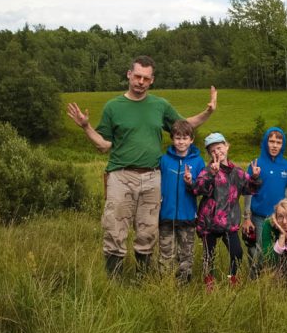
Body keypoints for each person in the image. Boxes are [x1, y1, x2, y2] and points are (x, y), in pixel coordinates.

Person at [66, 56, 217, 279]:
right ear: (129, 75)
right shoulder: (113, 107)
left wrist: (208, 112)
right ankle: (113, 282)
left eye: (146, 78)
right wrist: (86, 127)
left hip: (153, 177)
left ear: (152, 80)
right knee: (115, 230)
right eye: (137, 76)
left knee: (147, 233)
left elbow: (183, 127)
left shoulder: (160, 105)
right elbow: (103, 146)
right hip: (120, 175)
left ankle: (142, 280)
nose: (140, 82)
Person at [192, 132, 261, 290]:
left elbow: (249, 189)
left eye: (219, 147)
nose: (217, 152)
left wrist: (255, 177)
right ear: (209, 154)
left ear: (227, 146)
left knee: (237, 253)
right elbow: (198, 189)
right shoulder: (207, 170)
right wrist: (212, 173)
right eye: (213, 150)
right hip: (209, 223)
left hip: (229, 223)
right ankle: (209, 284)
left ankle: (232, 280)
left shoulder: (237, 172)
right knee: (209, 256)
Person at [158, 120, 206, 283]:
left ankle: (183, 283)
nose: (181, 141)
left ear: (191, 140)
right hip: (166, 215)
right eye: (178, 137)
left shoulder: (198, 162)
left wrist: (190, 182)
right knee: (166, 254)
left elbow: (201, 188)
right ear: (172, 138)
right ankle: (165, 284)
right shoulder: (164, 160)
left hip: (187, 216)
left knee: (186, 253)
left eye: (185, 138)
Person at [242, 126, 287, 277]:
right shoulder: (256, 164)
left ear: (282, 145)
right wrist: (246, 217)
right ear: (266, 142)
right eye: (271, 141)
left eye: (278, 142)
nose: (275, 145)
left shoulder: (286, 166)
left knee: (278, 250)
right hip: (259, 217)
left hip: (279, 218)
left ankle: (273, 279)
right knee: (259, 251)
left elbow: (286, 190)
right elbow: (248, 191)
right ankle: (254, 280)